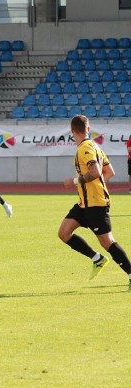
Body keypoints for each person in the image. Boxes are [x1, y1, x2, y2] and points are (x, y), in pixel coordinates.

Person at [59, 114, 131, 290]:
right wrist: (95, 187)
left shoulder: (84, 149)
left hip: (95, 205)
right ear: (88, 129)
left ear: (72, 131)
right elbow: (110, 171)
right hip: (84, 203)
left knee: (108, 242)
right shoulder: (95, 146)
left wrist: (74, 182)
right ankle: (96, 259)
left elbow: (97, 171)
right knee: (63, 233)